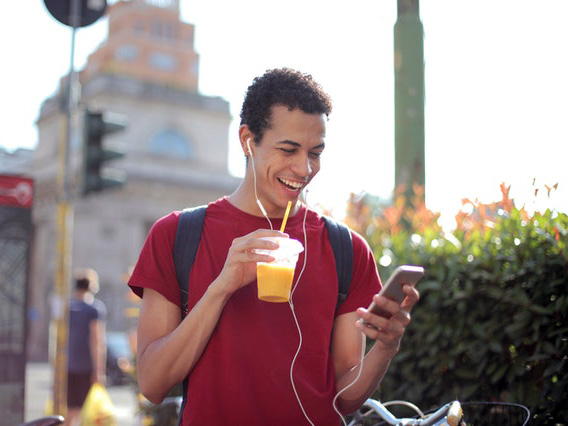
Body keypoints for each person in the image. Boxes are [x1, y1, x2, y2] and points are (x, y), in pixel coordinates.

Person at [128, 67, 420, 425]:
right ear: (248, 140)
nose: (304, 168)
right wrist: (222, 287)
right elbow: (153, 384)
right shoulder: (176, 235)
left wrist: (386, 348)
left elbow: (344, 398)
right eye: (289, 150)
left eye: (316, 152)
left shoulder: (347, 249)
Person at [66, 268, 107, 426]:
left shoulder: (67, 307)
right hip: (86, 366)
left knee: (70, 408)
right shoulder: (94, 309)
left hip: (67, 365)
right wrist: (99, 370)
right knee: (85, 410)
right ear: (92, 287)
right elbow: (97, 340)